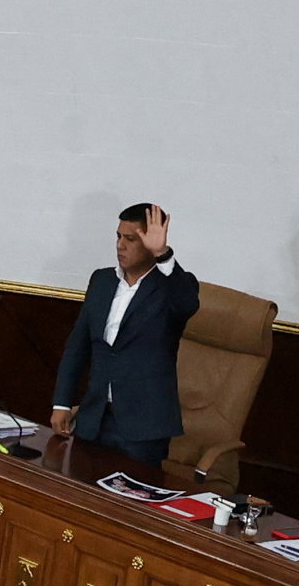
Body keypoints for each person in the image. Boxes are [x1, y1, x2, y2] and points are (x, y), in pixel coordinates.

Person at [43, 203, 192, 475]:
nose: (120, 245)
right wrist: (62, 402)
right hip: (94, 418)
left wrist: (163, 253)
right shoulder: (102, 281)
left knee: (129, 506)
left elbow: (186, 303)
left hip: (143, 426)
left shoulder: (170, 288)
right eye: (118, 237)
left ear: (149, 244)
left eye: (131, 239)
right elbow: (78, 345)